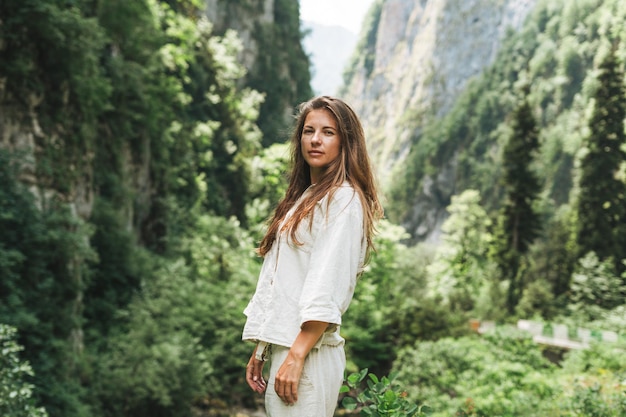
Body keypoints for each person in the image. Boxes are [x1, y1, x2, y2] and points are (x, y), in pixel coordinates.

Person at [242, 96, 383, 416]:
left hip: (308, 354)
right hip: (291, 349)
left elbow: (326, 284)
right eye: (309, 130)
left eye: (328, 132)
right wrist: (264, 347)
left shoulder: (344, 199)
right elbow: (286, 280)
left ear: (346, 142)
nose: (316, 139)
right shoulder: (307, 196)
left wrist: (296, 354)